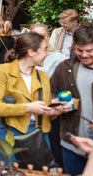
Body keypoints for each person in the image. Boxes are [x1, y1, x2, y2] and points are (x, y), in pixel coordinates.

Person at [0, 32, 61, 164]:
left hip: (38, 136)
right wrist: (27, 108)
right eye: (45, 50)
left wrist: (53, 110)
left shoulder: (43, 76)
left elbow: (45, 108)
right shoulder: (4, 71)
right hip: (10, 133)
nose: (48, 54)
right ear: (31, 52)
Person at [50, 24, 93, 176]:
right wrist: (56, 103)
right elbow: (50, 94)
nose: (84, 55)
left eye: (89, 51)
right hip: (70, 144)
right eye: (79, 50)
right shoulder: (64, 68)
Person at [30, 22, 67, 167]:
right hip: (29, 112)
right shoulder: (23, 57)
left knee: (52, 152)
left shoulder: (58, 58)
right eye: (35, 36)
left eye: (43, 36)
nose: (39, 39)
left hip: (50, 111)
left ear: (48, 36)